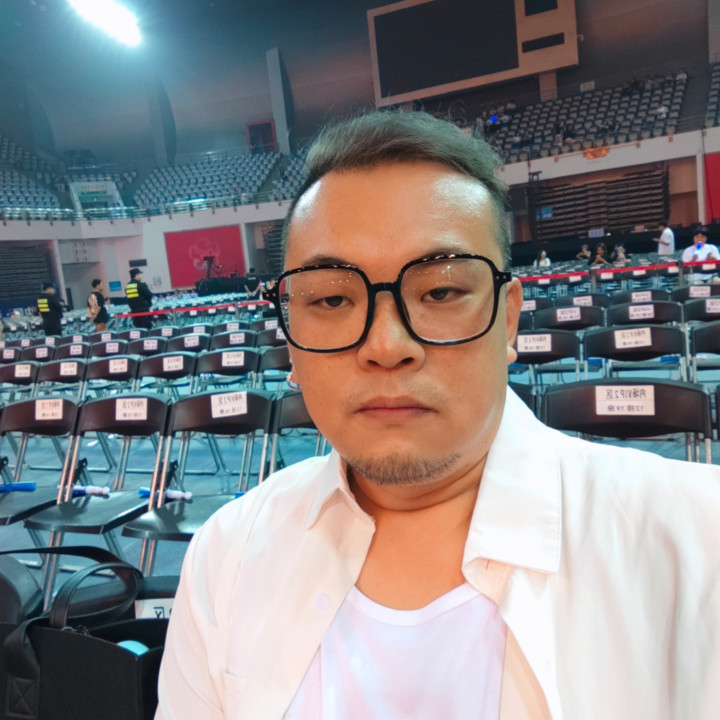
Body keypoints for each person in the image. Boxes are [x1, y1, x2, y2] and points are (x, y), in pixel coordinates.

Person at [156, 111, 720, 720]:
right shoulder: (228, 553)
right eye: (332, 298)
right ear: (290, 337)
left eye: (442, 291)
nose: (386, 345)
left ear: (508, 318)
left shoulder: (696, 542)